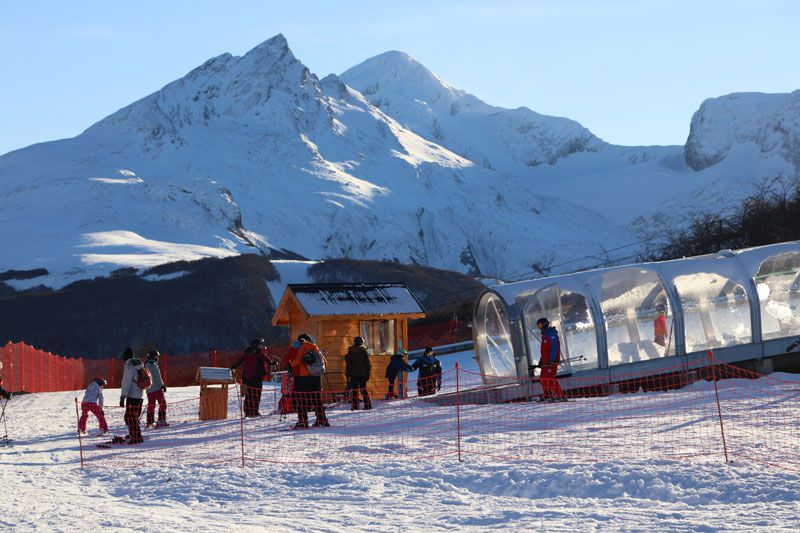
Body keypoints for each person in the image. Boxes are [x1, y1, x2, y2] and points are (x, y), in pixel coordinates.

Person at [289, 333, 328, 429]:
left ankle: (303, 421)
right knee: (317, 400)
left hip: (304, 377)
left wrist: (291, 364)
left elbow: (297, 361)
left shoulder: (303, 348)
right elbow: (324, 361)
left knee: (302, 400)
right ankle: (322, 420)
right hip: (316, 377)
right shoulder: (315, 347)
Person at [230, 338, 273, 417]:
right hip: (257, 377)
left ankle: (248, 411)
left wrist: (234, 367)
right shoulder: (259, 353)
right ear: (257, 345)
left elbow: (239, 362)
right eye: (260, 344)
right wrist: (273, 363)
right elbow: (267, 360)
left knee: (249, 394)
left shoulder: (247, 353)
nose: (262, 346)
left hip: (247, 377)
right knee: (256, 394)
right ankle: (255, 411)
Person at [119, 348, 146, 444]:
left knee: (129, 417)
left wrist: (123, 396)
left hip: (132, 395)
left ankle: (136, 437)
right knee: (134, 416)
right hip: (140, 395)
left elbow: (127, 382)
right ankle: (134, 434)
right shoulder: (137, 364)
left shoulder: (129, 365)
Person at [535, 318, 565, 402]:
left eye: (540, 325)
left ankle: (560, 396)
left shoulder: (551, 334)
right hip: (546, 362)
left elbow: (554, 347)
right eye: (538, 326)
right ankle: (548, 396)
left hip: (551, 362)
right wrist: (541, 361)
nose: (539, 327)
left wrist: (552, 360)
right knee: (542, 378)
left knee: (549, 378)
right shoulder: (545, 335)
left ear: (544, 324)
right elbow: (545, 350)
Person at [345, 336, 372, 410]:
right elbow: (367, 364)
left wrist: (347, 375)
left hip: (353, 373)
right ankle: (367, 405)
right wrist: (368, 374)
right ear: (362, 342)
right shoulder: (364, 351)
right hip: (363, 374)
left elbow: (348, 364)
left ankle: (355, 406)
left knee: (354, 390)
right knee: (363, 389)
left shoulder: (351, 351)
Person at [144, 350, 168, 428]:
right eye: (157, 357)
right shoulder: (154, 365)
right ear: (154, 357)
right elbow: (158, 377)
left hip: (149, 390)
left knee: (151, 405)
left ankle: (150, 422)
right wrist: (162, 385)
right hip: (157, 388)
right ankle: (161, 420)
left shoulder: (145, 366)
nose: (157, 358)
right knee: (162, 404)